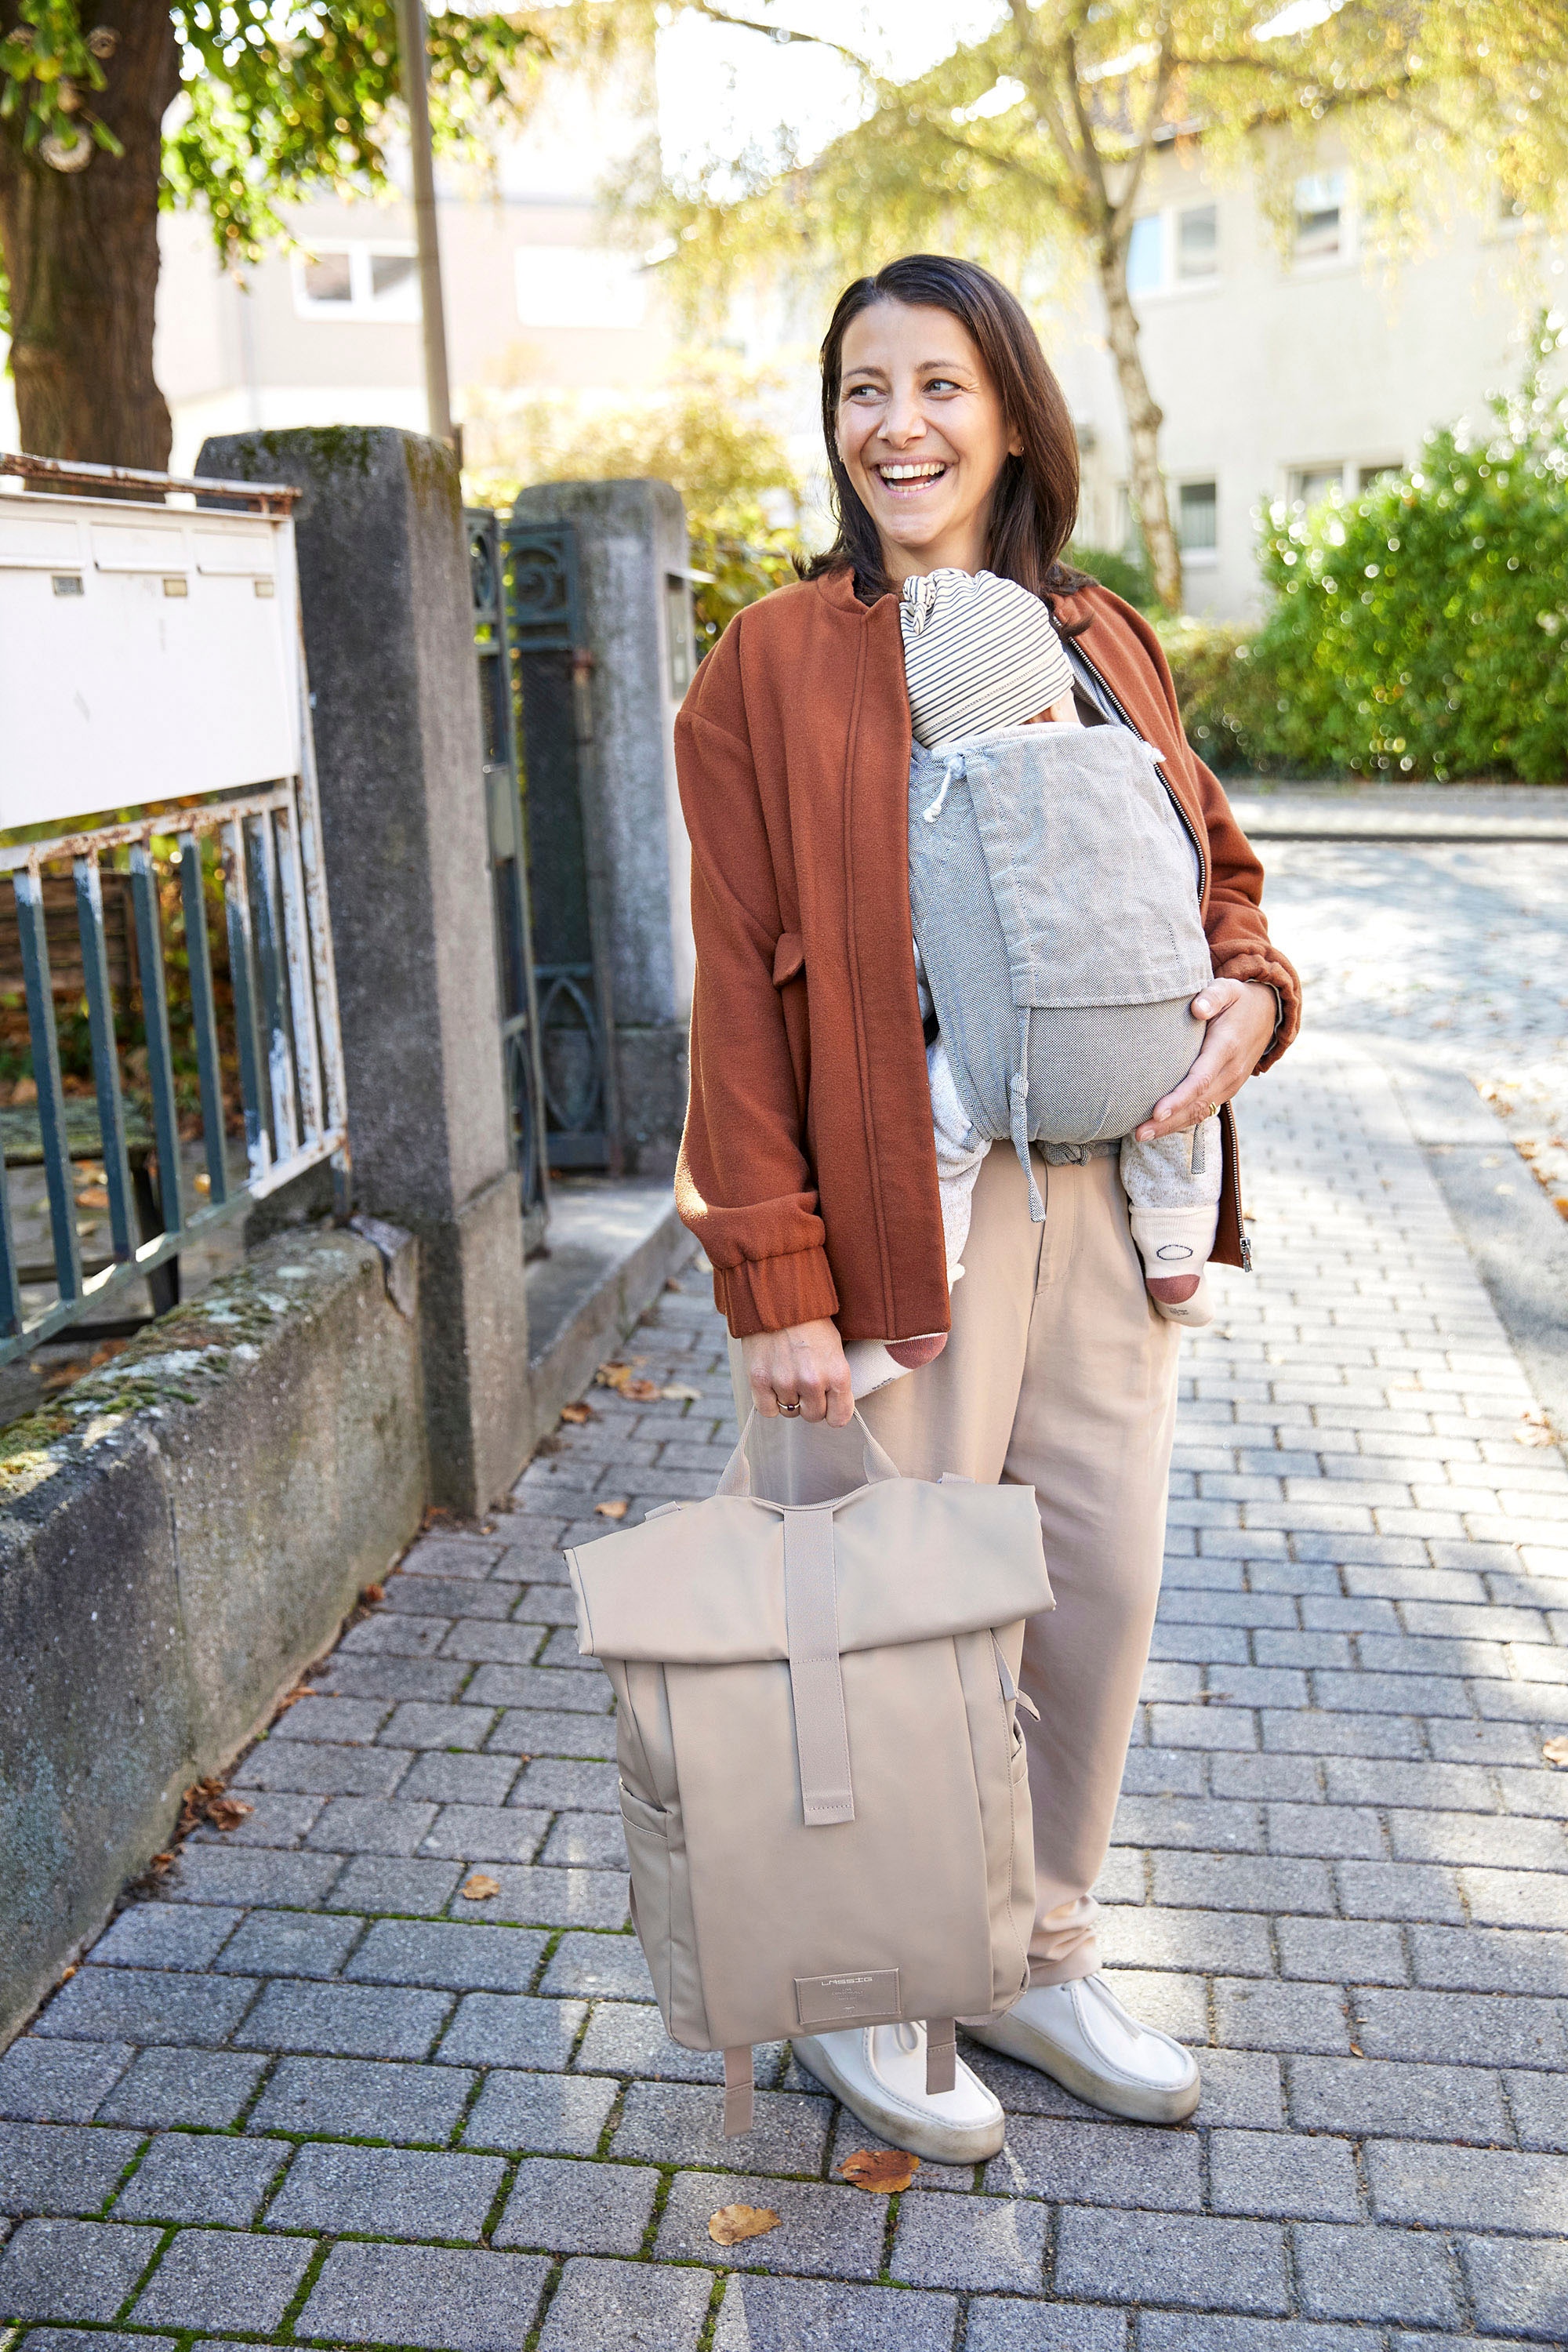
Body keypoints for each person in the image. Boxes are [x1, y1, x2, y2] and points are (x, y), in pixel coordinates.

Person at [673, 252, 1301, 2162]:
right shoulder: (772, 663)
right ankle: (857, 1991)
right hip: (894, 1215)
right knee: (879, 1607)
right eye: (861, 388)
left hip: (1106, 1202)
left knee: (1088, 1598)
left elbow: (1217, 871)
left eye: (935, 386)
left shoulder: (1097, 636)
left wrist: (1254, 993)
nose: (896, 425)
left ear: (1008, 412)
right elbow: (733, 984)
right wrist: (771, 1272)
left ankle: (1030, 1950)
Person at [844, 560, 1226, 1409]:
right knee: (1181, 1115)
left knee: (934, 1130)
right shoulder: (1133, 765)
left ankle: (917, 1309)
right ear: (1055, 699)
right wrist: (1248, 996)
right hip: (1160, 1052)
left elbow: (908, 949)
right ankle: (1174, 1253)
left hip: (1004, 1073)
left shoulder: (934, 801)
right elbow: (1199, 882)